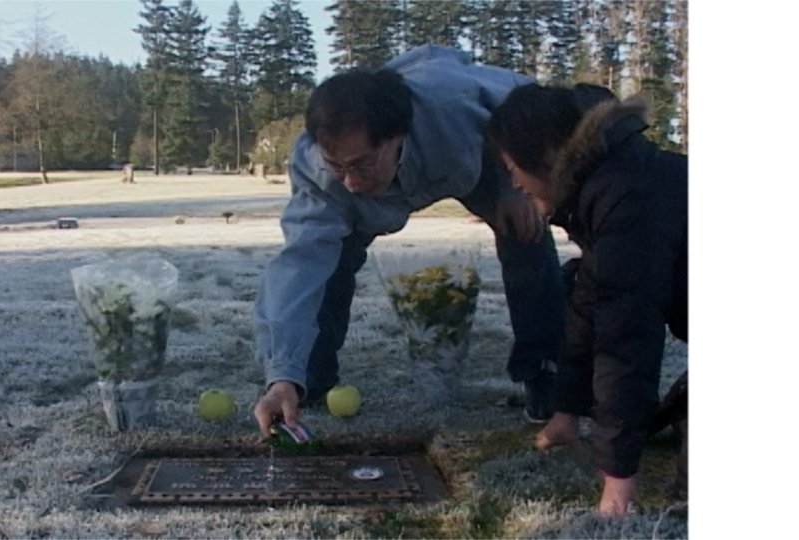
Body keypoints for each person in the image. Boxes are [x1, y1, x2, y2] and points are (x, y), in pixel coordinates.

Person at [252, 45, 566, 437]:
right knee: (328, 264)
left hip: (476, 157)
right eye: (338, 166)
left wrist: (513, 185)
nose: (350, 180)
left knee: (524, 229)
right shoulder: (320, 174)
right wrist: (281, 375)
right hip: (377, 194)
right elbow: (297, 269)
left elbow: (529, 103)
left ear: (397, 136)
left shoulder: (452, 100)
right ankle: (306, 382)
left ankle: (544, 368)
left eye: (362, 163)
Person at [488, 83, 690, 514]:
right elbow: (589, 310)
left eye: (511, 166)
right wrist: (567, 410)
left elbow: (627, 339)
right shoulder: (608, 185)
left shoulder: (628, 194)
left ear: (543, 151)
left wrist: (617, 478)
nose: (513, 182)